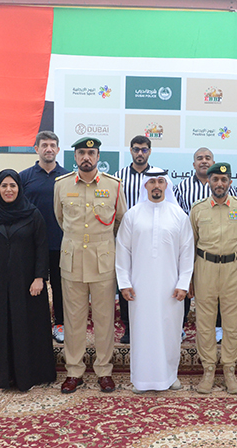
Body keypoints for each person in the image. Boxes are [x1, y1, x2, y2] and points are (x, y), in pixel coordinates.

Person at [54, 137, 126, 394]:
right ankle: (74, 372)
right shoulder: (62, 185)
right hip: (72, 262)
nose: (86, 157)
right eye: (82, 153)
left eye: (91, 153)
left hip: (102, 262)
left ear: (98, 157)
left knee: (105, 320)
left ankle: (104, 371)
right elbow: (60, 219)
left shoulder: (114, 185)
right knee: (73, 320)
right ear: (75, 157)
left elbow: (120, 222)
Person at [0, 170, 57, 391]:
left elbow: (42, 246)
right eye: (4, 186)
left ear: (19, 188)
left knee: (27, 328)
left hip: (28, 286)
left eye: (13, 185)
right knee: (1, 330)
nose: (8, 190)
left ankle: (30, 375)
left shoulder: (33, 214)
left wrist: (40, 277)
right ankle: (5, 377)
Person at [115, 168, 195, 393]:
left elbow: (187, 253)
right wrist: (124, 282)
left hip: (170, 288)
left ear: (166, 185)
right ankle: (141, 379)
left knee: (170, 332)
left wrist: (183, 283)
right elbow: (122, 251)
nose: (157, 186)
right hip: (139, 287)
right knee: (142, 331)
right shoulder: (133, 214)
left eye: (160, 181)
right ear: (145, 186)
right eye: (152, 182)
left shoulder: (179, 215)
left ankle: (170, 377)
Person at [190, 163, 237, 394]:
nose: (219, 184)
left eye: (224, 180)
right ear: (208, 181)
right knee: (204, 322)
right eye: (215, 179)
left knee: (233, 322)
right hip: (205, 267)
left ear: (230, 183)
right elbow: (191, 246)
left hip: (233, 270)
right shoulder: (197, 210)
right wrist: (189, 278)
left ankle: (229, 369)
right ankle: (208, 369)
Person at [174, 147, 237, 341]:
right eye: (199, 158)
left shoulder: (225, 186)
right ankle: (180, 325)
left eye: (208, 158)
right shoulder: (182, 187)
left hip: (216, 245)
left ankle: (218, 327)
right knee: (184, 284)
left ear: (213, 162)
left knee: (217, 289)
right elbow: (175, 215)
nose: (204, 161)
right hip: (187, 242)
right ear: (193, 164)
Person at [19, 131, 70, 344]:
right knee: (33, 286)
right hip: (32, 245)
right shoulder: (24, 177)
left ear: (58, 150)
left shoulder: (68, 177)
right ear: (36, 149)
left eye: (52, 145)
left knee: (59, 286)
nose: (48, 149)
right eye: (44, 145)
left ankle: (60, 324)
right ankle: (36, 325)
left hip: (60, 242)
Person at [114, 135, 155, 344]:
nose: (140, 153)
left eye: (144, 149)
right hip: (126, 240)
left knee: (151, 283)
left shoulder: (158, 176)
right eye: (137, 149)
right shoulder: (118, 177)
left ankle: (150, 326)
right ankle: (129, 328)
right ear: (130, 150)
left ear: (149, 151)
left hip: (152, 240)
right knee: (127, 282)